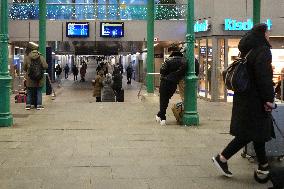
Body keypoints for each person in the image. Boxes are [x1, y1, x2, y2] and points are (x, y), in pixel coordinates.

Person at [212, 23, 275, 178]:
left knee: (257, 132)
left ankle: (263, 166)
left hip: (245, 98)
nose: (269, 35)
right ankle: (222, 158)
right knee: (248, 133)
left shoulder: (248, 50)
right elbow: (264, 78)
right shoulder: (263, 51)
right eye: (268, 32)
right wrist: (269, 99)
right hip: (256, 100)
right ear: (263, 34)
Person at [155, 51, 186, 126]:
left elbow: (162, 71)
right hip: (173, 84)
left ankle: (163, 118)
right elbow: (182, 72)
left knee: (163, 100)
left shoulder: (168, 60)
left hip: (165, 82)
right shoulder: (184, 61)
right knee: (166, 100)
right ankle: (159, 115)